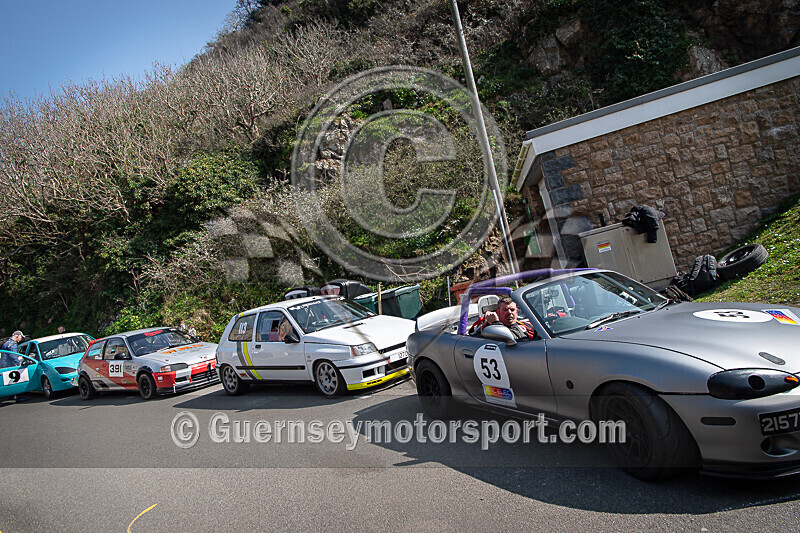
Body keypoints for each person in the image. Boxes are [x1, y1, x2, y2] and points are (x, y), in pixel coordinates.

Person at [469, 297, 536, 340]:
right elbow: (512, 340)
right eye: (505, 310)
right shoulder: (491, 330)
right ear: (498, 312)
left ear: (517, 312)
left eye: (512, 309)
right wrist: (495, 323)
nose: (509, 312)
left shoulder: (526, 325)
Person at [1, 331, 29, 402]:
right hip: (10, 365)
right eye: (20, 337)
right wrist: (18, 364)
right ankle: (18, 397)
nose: (20, 339)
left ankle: (12, 395)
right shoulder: (13, 344)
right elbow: (13, 356)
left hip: (4, 365)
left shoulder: (7, 343)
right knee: (17, 380)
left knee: (9, 382)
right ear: (17, 336)